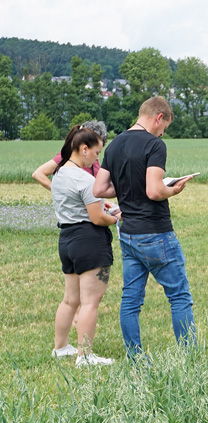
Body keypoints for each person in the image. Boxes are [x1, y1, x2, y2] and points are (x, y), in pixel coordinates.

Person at [93, 96, 195, 359]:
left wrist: (128, 187)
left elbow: (100, 188)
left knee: (130, 301)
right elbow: (154, 190)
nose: (163, 132)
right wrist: (173, 189)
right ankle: (189, 356)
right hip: (156, 231)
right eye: (165, 126)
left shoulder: (114, 145)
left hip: (128, 234)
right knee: (179, 296)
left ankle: (136, 358)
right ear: (158, 117)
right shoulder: (155, 144)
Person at [50, 125, 119, 366]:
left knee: (70, 299)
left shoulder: (59, 174)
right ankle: (85, 355)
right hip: (89, 240)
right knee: (90, 301)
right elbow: (97, 218)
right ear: (84, 149)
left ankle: (60, 347)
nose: (98, 158)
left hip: (66, 238)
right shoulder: (84, 178)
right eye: (97, 153)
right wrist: (118, 217)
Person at [32, 120, 108, 190]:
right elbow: (38, 174)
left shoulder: (93, 159)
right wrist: (58, 192)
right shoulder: (67, 157)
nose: (97, 157)